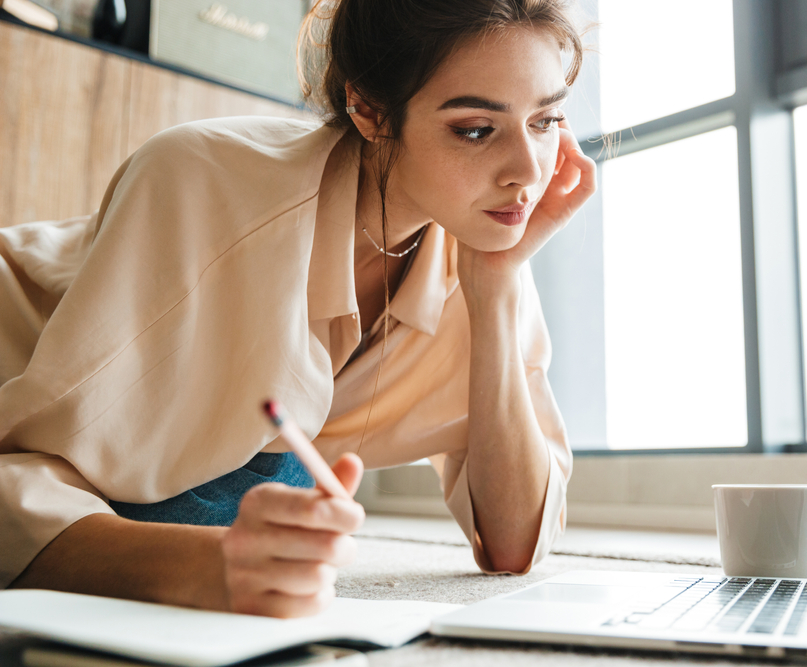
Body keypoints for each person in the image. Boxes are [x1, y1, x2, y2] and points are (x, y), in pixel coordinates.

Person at [0, 0, 596, 618]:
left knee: (278, 488)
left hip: (228, 462)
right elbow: (16, 488)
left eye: (547, 121)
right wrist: (203, 567)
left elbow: (513, 543)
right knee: (250, 500)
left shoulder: (477, 238)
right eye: (475, 129)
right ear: (367, 107)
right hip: (15, 357)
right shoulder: (201, 182)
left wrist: (496, 288)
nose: (527, 173)